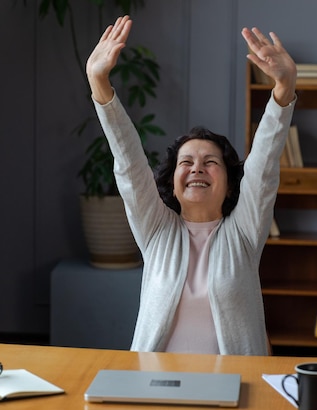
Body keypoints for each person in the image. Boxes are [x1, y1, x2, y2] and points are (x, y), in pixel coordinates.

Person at [86, 15, 296, 355]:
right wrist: (99, 83)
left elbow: (264, 164)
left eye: (210, 162)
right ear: (172, 181)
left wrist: (283, 91)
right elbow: (129, 163)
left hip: (236, 390)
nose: (197, 168)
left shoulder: (243, 233)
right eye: (187, 162)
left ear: (230, 185)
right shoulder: (155, 229)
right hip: (155, 389)